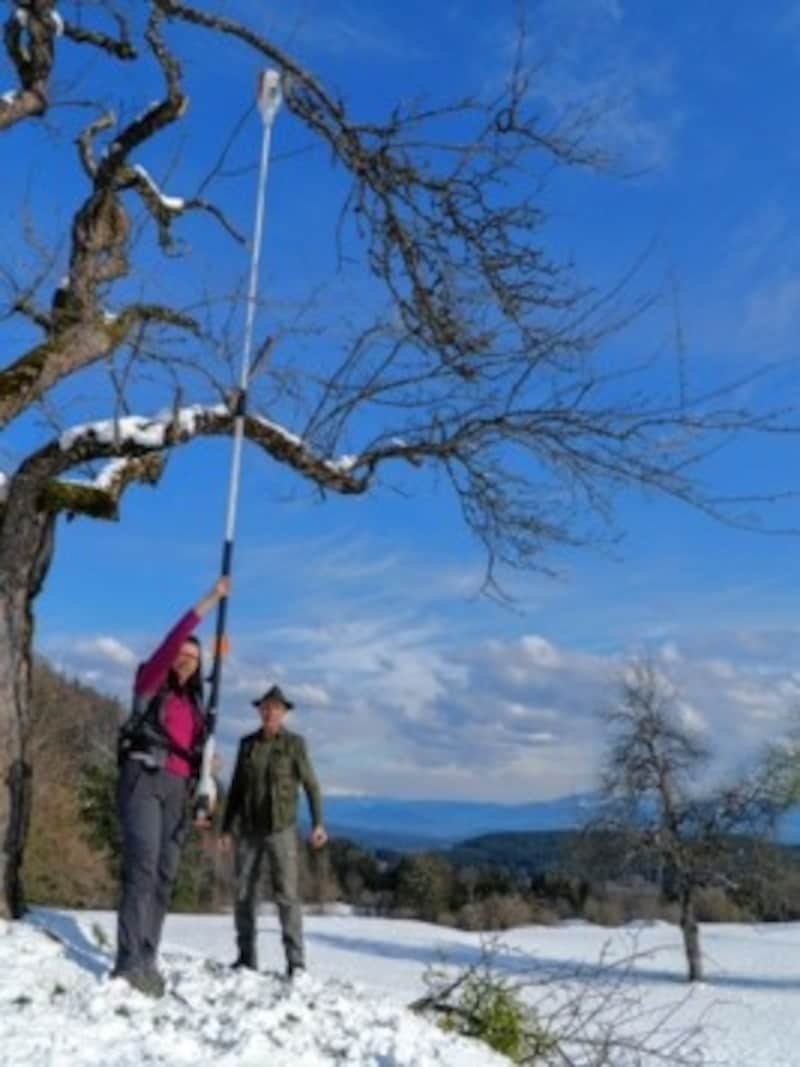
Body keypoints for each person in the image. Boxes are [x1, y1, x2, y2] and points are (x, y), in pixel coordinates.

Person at [112, 576, 229, 995]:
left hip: (179, 790)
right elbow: (172, 638)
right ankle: (127, 961)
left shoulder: (195, 707)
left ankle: (147, 955)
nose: (186, 660)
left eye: (194, 657)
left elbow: (198, 755)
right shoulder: (149, 682)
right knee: (142, 867)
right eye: (182, 654)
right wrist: (210, 600)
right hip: (144, 778)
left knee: (164, 875)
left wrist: (207, 775)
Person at [220, 685, 327, 978]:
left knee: (287, 896)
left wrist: (318, 823)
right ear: (259, 711)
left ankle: (296, 964)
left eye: (276, 708)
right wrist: (226, 828)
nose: (270, 712)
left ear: (284, 713)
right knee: (244, 894)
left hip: (282, 831)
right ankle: (246, 958)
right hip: (249, 831)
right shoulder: (246, 745)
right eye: (266, 707)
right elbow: (236, 791)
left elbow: (311, 785)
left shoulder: (295, 745)